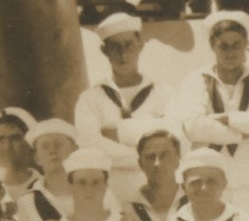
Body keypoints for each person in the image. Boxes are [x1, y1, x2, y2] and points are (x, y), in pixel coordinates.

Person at [73, 14, 175, 204]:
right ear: (104, 51)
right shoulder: (90, 99)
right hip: (112, 192)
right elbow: (90, 145)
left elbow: (174, 138)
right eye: (115, 47)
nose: (123, 53)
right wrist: (150, 153)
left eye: (128, 44)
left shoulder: (163, 93)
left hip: (159, 192)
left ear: (140, 45)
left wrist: (116, 133)